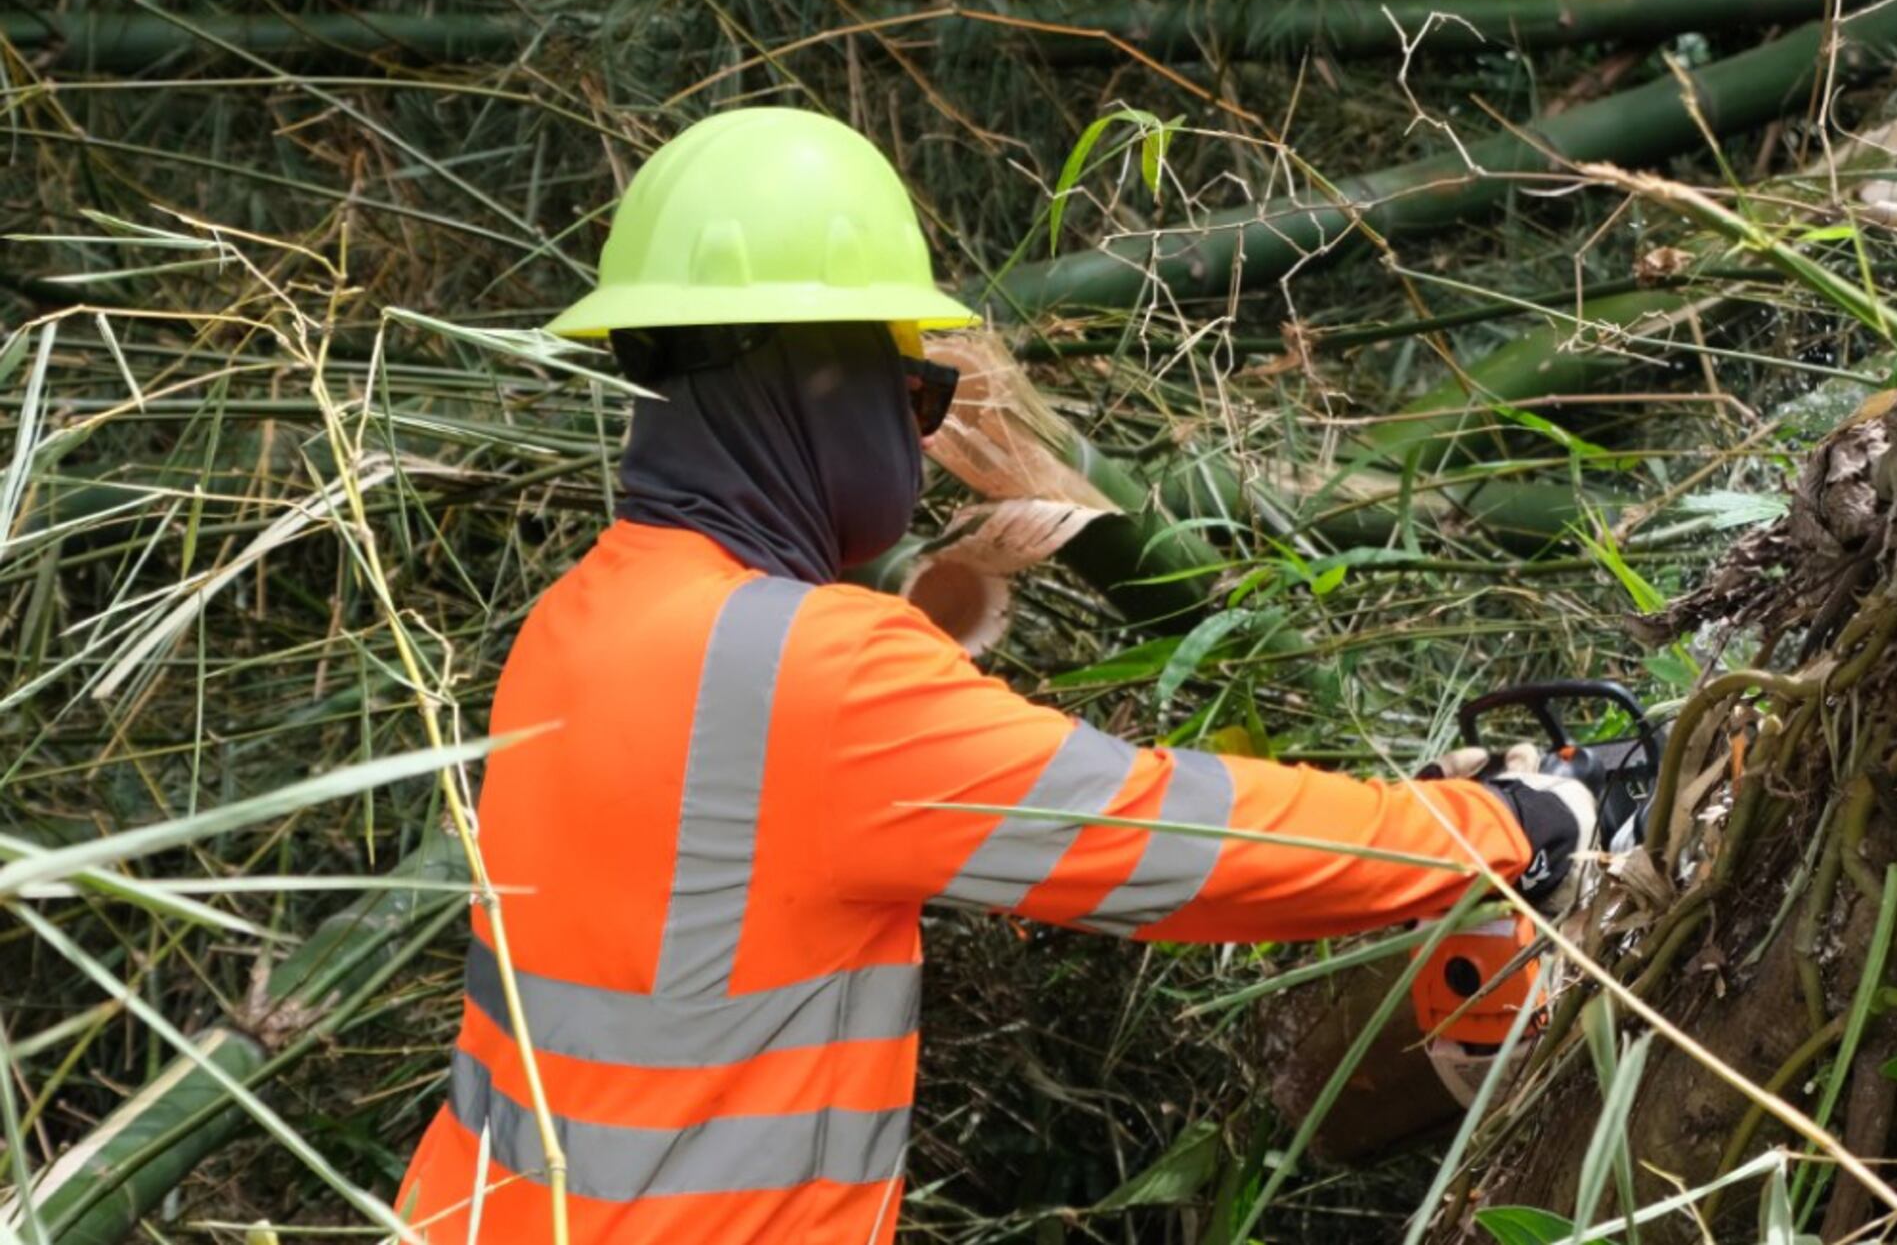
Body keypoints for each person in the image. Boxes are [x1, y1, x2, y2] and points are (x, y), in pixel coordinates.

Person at [393, 108, 1596, 1243]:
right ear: (809, 380)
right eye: (917, 395)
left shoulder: (580, 615)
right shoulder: (813, 672)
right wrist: (1501, 824)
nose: (928, 439)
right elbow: (1159, 834)